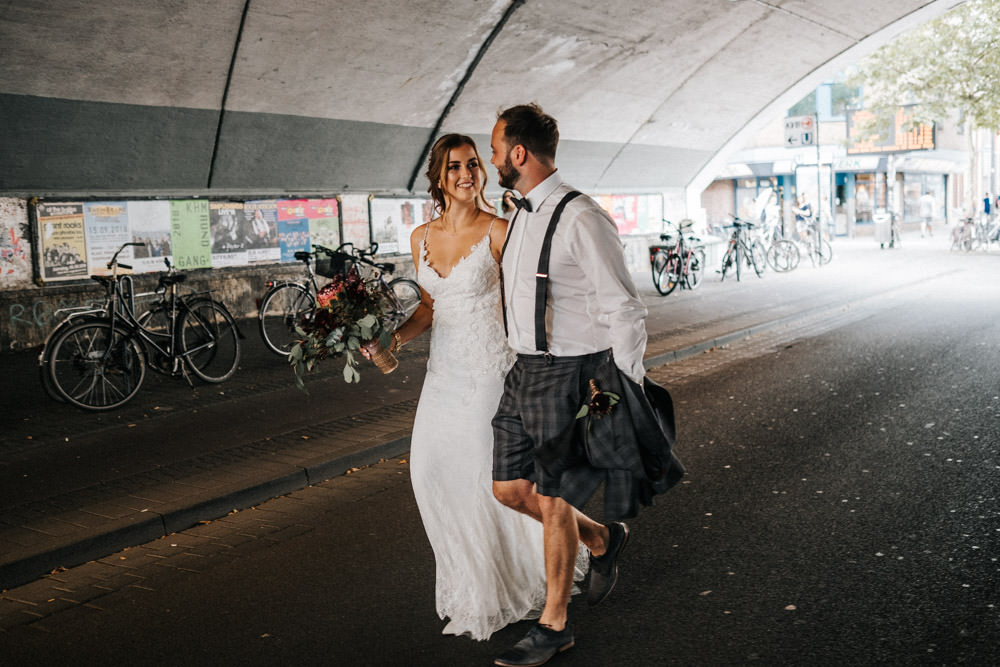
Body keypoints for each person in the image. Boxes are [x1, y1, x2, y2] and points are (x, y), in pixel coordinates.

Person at [368, 133, 582, 641]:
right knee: (429, 473)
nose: (467, 174)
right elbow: (427, 306)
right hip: (443, 375)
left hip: (492, 371)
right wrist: (390, 341)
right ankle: (583, 537)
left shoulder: (500, 232)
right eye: (454, 168)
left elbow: (536, 297)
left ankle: (503, 589)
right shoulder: (420, 237)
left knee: (489, 485)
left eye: (471, 165)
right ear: (439, 179)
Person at [488, 103, 648, 666]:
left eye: (495, 148)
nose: (490, 159)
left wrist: (624, 393)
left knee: (555, 498)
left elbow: (624, 308)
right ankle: (603, 539)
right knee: (509, 489)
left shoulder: (582, 216)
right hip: (524, 369)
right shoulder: (520, 214)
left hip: (572, 371)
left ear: (518, 153)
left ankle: (553, 624)